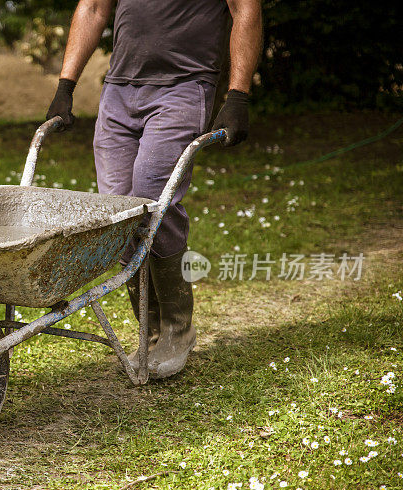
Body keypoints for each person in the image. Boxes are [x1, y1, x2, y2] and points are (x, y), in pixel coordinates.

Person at [46, 0, 262, 379]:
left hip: (183, 86)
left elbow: (246, 10)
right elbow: (93, 8)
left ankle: (178, 328)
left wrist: (238, 95)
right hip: (119, 90)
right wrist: (66, 86)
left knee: (153, 202)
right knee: (118, 216)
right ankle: (150, 329)